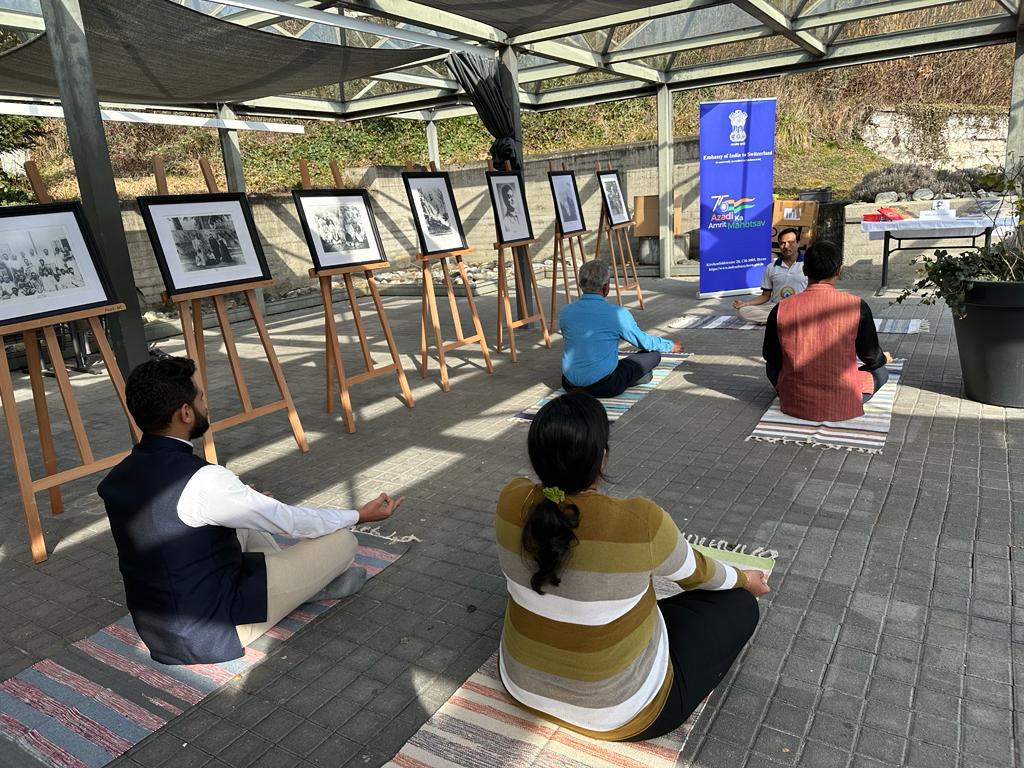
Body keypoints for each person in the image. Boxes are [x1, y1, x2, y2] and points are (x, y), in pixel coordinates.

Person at [496, 392, 769, 741]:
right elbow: (700, 574)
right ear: (602, 457)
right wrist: (746, 579)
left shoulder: (511, 499)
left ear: (535, 457)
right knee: (739, 603)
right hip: (623, 715)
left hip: (521, 687)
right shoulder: (640, 522)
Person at [97, 356, 404, 665]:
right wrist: (359, 516)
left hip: (159, 628)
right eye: (201, 397)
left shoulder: (117, 478)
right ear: (185, 413)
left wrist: (247, 501)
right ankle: (306, 590)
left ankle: (298, 586)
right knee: (343, 541)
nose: (206, 404)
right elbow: (290, 521)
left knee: (247, 518)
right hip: (212, 631)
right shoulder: (204, 480)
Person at [762, 240, 892, 422]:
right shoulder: (857, 306)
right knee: (881, 372)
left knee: (771, 367)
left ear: (804, 270)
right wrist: (883, 358)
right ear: (839, 270)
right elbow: (871, 357)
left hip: (795, 400)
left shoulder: (780, 308)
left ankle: (793, 393)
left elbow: (770, 356)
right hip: (843, 400)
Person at [559, 260, 683, 399]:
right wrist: (669, 345)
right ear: (606, 287)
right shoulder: (617, 313)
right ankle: (637, 378)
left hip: (570, 385)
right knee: (654, 355)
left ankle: (635, 377)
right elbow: (644, 342)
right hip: (606, 386)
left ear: (580, 285)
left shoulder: (565, 312)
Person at [733, 228, 807, 324]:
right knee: (742, 311)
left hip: (800, 307)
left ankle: (777, 320)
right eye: (782, 243)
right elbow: (765, 295)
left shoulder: (808, 264)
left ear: (798, 243)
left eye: (790, 242)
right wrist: (746, 303)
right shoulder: (771, 267)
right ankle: (789, 319)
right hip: (777, 307)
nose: (786, 246)